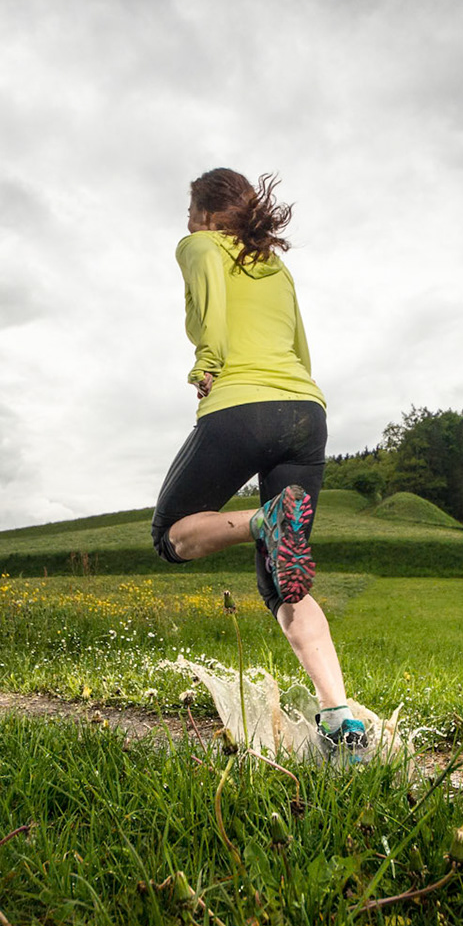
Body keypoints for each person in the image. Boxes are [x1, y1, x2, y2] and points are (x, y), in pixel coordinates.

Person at [150, 168, 365, 764]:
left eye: (190, 212)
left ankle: (264, 521)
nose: (187, 223)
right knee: (285, 582)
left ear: (206, 212)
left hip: (241, 406)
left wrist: (206, 365)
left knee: (170, 534)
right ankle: (341, 723)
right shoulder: (277, 266)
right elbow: (301, 349)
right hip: (305, 411)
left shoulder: (199, 245)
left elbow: (212, 312)